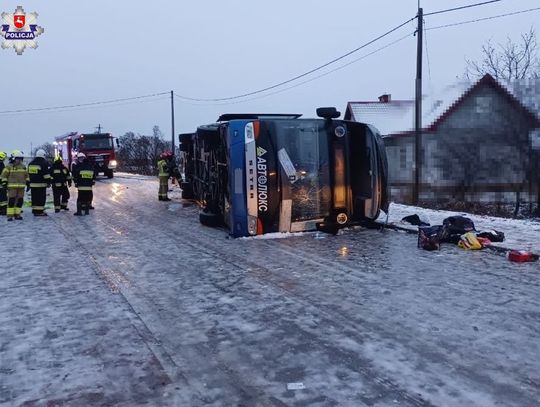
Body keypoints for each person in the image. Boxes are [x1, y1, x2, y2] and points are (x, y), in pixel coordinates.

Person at [0, 150, 28, 221]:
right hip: (12, 187)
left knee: (20, 201)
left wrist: (28, 182)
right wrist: (4, 183)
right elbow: (3, 176)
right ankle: (10, 215)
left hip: (21, 187)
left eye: (20, 159)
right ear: (14, 158)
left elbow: (27, 175)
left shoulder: (23, 167)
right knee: (11, 201)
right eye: (18, 159)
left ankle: (17, 214)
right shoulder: (8, 167)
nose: (19, 161)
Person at [28, 149, 52, 216]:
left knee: (34, 198)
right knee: (41, 198)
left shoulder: (30, 163)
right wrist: (49, 182)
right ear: (43, 155)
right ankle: (40, 212)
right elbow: (46, 175)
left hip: (32, 185)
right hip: (41, 185)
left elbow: (28, 174)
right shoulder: (43, 163)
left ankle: (35, 210)